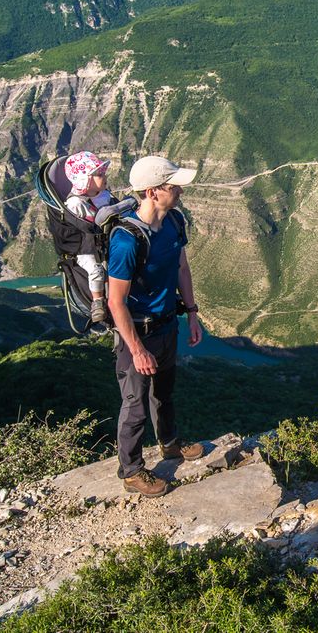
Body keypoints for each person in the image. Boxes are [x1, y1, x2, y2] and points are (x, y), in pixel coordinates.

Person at [107, 155, 204, 498]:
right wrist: (136, 349)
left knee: (164, 393)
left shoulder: (175, 221)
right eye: (173, 184)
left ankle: (170, 443)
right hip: (138, 332)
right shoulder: (126, 240)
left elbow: (181, 269)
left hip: (167, 326)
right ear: (152, 192)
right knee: (134, 403)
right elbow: (115, 301)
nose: (179, 189)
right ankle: (131, 471)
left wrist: (191, 313)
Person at [63, 151, 114, 322]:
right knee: (96, 270)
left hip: (104, 243)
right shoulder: (75, 204)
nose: (104, 176)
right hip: (86, 249)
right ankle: (98, 301)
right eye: (99, 174)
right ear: (85, 180)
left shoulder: (105, 196)